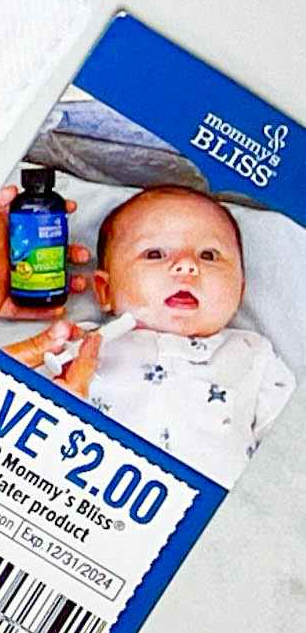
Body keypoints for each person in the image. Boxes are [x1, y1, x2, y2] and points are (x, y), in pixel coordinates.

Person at [21, 184, 293, 488]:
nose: (187, 265)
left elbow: (290, 449)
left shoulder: (253, 355)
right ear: (105, 290)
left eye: (209, 254)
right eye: (155, 253)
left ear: (239, 290)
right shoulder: (79, 346)